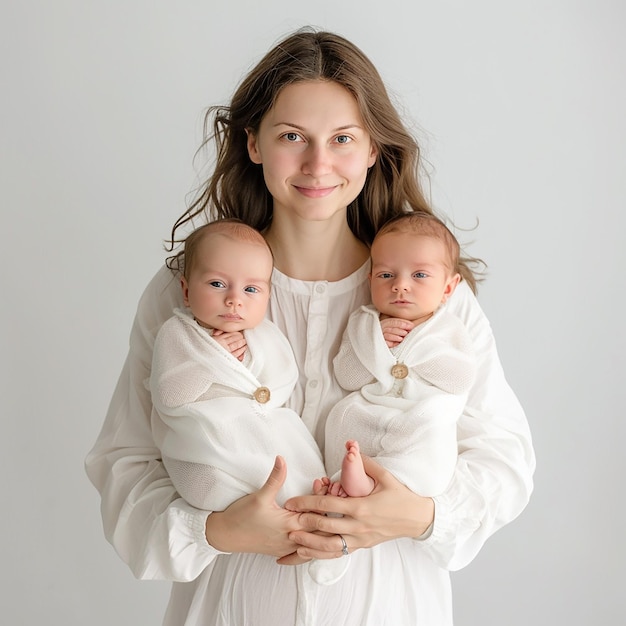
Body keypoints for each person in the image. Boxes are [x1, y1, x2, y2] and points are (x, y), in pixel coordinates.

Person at [85, 28, 535, 625]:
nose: (318, 164)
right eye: (292, 136)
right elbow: (127, 461)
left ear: (373, 149)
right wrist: (215, 529)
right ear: (253, 144)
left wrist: (417, 516)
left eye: (342, 139)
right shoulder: (186, 293)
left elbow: (503, 458)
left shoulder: (433, 297)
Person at [148, 219, 326, 513]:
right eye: (217, 284)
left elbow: (283, 380)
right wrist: (214, 361)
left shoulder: (263, 333)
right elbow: (168, 394)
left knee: (291, 438)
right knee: (225, 476)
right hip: (207, 446)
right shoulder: (178, 332)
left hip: (259, 432)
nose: (234, 300)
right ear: (187, 291)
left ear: (267, 297)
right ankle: (289, 510)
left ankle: (312, 496)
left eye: (251, 290)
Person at [318, 212, 477, 502]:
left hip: (421, 416)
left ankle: (380, 485)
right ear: (370, 280)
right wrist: (378, 344)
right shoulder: (364, 322)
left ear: (448, 288)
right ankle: (347, 479)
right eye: (386, 275)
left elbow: (460, 379)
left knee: (431, 444)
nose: (400, 285)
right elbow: (347, 376)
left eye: (419, 275)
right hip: (371, 410)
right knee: (341, 419)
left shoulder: (448, 328)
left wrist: (413, 349)